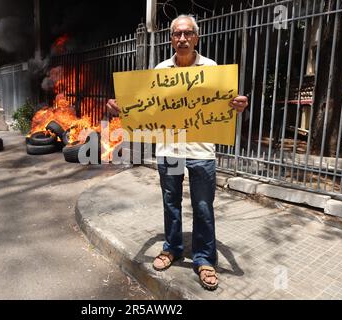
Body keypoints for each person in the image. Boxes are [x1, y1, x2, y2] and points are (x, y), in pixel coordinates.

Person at [106, 14, 248, 291]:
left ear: (196, 37)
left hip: (202, 151)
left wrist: (238, 104)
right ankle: (172, 248)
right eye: (177, 34)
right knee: (171, 202)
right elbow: (146, 107)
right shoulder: (160, 70)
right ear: (171, 39)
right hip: (169, 148)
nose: (182, 39)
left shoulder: (212, 68)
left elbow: (224, 105)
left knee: (203, 207)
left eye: (187, 34)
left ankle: (204, 259)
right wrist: (122, 109)